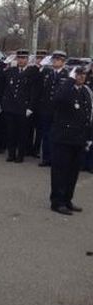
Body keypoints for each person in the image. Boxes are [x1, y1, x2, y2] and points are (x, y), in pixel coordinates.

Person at [49, 67, 92, 215]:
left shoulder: (85, 92)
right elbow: (58, 99)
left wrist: (89, 137)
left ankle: (67, 199)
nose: (81, 77)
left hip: (79, 139)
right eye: (78, 74)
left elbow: (88, 115)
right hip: (64, 138)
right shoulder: (66, 89)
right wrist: (70, 80)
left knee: (73, 173)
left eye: (83, 74)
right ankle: (57, 202)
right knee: (60, 171)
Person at [34, 50, 69, 167]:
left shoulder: (67, 75)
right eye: (54, 59)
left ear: (63, 62)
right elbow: (41, 90)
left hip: (59, 111)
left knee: (57, 135)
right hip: (46, 109)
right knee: (46, 134)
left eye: (58, 60)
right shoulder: (47, 73)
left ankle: (56, 159)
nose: (55, 61)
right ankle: (46, 158)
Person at [0, 49, 33, 163]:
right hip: (10, 107)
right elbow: (1, 79)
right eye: (19, 58)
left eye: (23, 58)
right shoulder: (11, 71)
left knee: (22, 133)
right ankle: (11, 154)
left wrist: (30, 107)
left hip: (23, 107)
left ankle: (20, 155)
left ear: (27, 60)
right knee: (11, 132)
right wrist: (5, 64)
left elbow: (34, 91)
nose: (21, 60)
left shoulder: (31, 72)